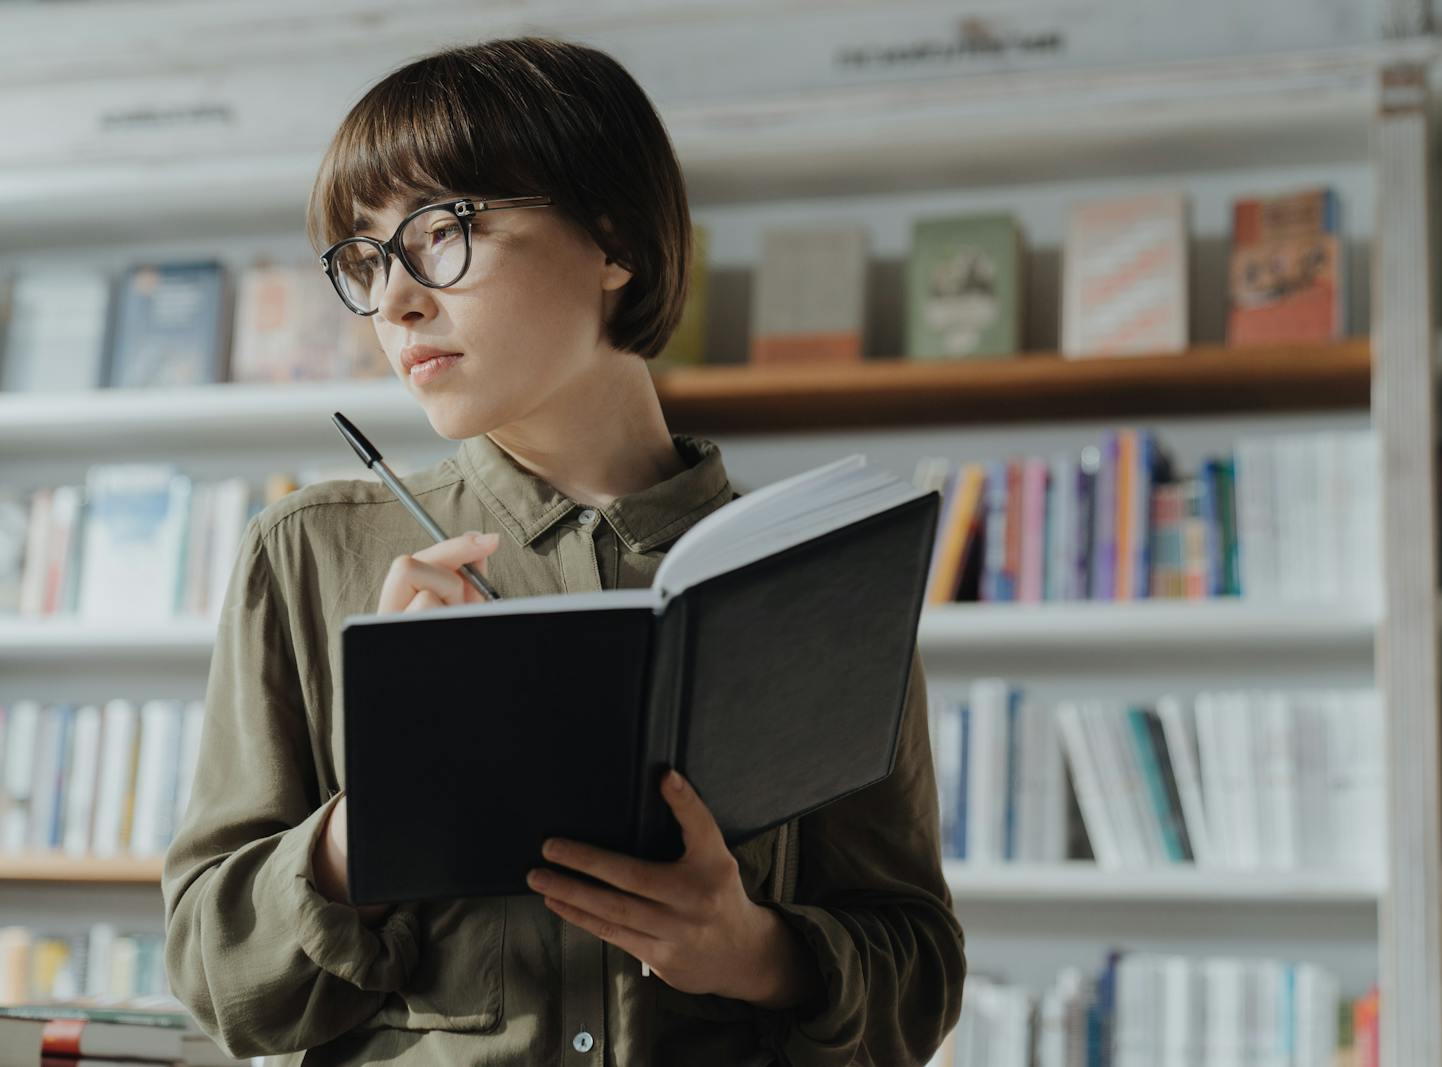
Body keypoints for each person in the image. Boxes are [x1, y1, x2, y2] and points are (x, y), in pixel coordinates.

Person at [160, 34, 965, 1067]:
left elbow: (919, 979)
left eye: (441, 231)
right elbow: (216, 983)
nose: (396, 300)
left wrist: (752, 951)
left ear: (613, 240)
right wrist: (373, 815)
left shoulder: (813, 572)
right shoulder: (308, 554)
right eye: (365, 258)